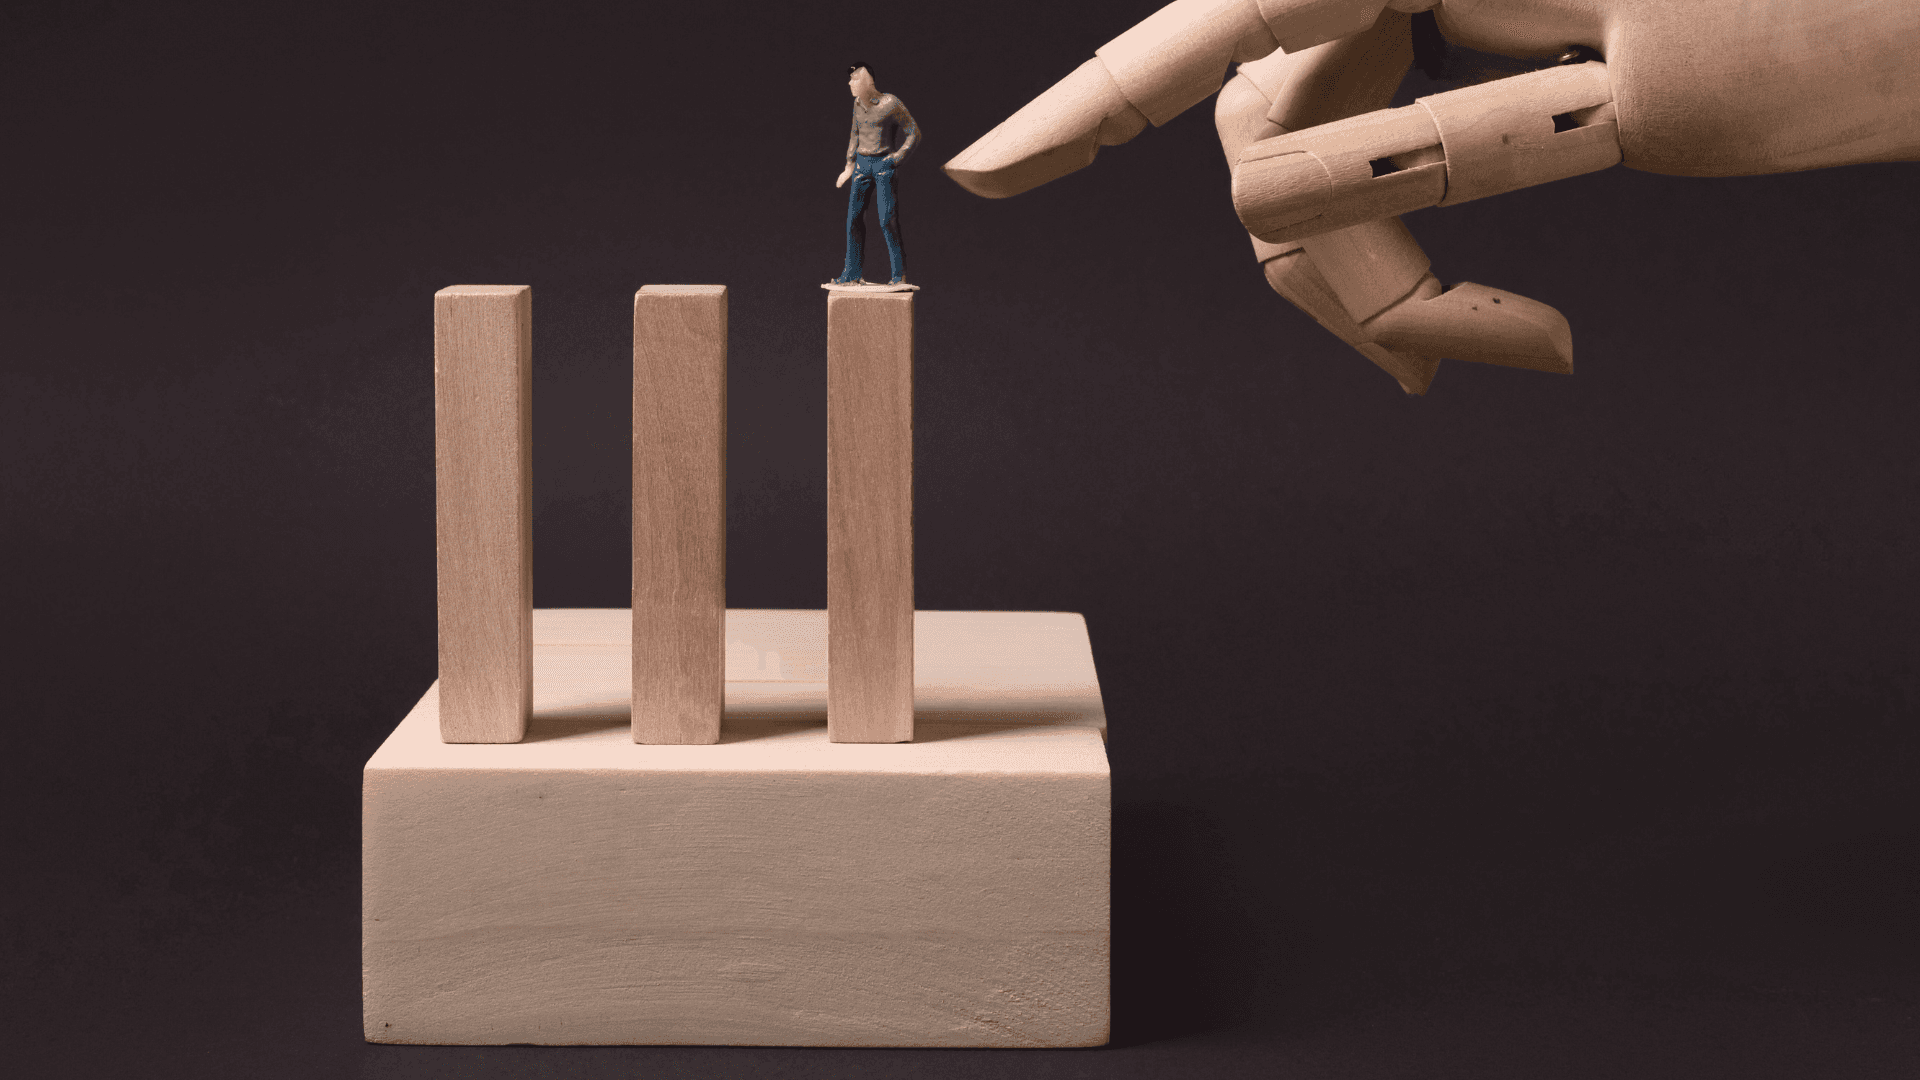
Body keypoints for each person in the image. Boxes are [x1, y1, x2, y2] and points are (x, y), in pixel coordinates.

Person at [832, 63, 919, 286]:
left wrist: (896, 158)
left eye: (855, 79)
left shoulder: (890, 103)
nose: (850, 83)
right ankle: (851, 273)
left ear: (868, 82)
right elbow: (855, 134)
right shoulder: (857, 104)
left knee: (887, 219)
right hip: (862, 165)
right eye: (850, 79)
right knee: (853, 219)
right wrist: (849, 165)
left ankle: (899, 275)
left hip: (883, 164)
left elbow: (913, 133)